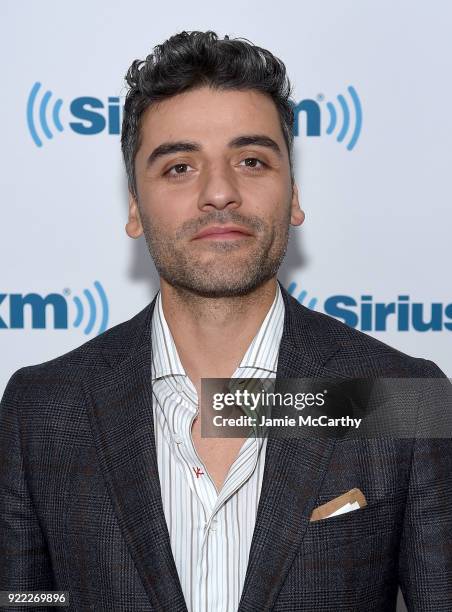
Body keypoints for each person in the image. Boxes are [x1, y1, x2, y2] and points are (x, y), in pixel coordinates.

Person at [1, 30, 451, 612]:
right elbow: (23, 601)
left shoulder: (399, 398)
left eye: (251, 160)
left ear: (293, 194)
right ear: (134, 207)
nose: (220, 192)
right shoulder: (42, 408)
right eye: (180, 166)